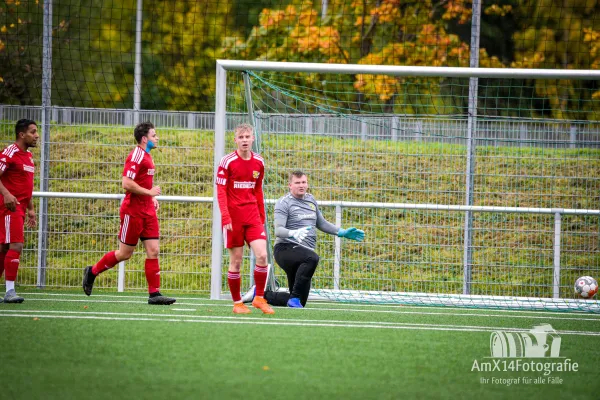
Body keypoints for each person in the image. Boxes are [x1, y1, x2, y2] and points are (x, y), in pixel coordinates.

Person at [82, 122, 175, 305]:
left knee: (154, 250)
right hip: (132, 211)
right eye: (154, 135)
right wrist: (149, 193)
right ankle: (92, 272)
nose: (157, 138)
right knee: (125, 254)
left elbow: (142, 182)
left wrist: (151, 198)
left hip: (147, 211)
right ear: (144, 139)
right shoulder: (136, 156)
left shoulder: (148, 156)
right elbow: (126, 183)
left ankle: (154, 294)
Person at [244, 170, 365, 308]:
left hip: (303, 252)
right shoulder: (283, 203)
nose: (301, 185)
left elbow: (321, 223)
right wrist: (293, 233)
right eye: (297, 183)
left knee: (301, 302)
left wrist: (341, 232)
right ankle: (293, 297)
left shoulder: (311, 200)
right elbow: (278, 230)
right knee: (312, 258)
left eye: (304, 182)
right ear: (290, 185)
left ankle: (259, 295)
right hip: (285, 249)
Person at [216, 123, 274, 315]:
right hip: (233, 218)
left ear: (253, 138)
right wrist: (225, 217)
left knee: (263, 255)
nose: (244, 140)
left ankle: (259, 298)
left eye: (247, 137)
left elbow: (257, 190)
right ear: (235, 140)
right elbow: (221, 191)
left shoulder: (259, 162)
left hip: (253, 217)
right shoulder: (227, 162)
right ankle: (238, 303)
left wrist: (262, 216)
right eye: (241, 137)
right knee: (237, 261)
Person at [0, 119, 39, 303]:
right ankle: (10, 292)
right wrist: (7, 195)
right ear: (21, 135)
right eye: (33, 132)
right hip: (9, 207)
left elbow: (26, 185)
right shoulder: (10, 152)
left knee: (4, 248)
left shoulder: (28, 156)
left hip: (21, 207)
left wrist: (31, 208)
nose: (36, 135)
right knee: (16, 245)